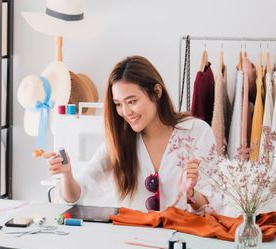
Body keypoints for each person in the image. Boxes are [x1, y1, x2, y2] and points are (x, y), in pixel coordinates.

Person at [44, 56, 222, 214]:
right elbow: (75, 195)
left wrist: (191, 194)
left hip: (182, 242)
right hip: (133, 243)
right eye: (119, 104)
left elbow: (215, 207)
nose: (126, 111)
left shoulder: (196, 132)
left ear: (157, 92)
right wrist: (66, 174)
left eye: (132, 101)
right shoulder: (119, 141)